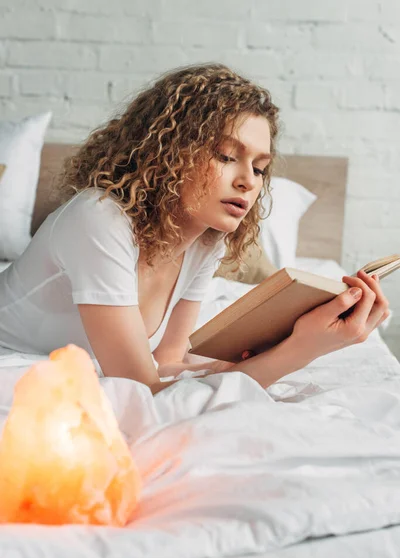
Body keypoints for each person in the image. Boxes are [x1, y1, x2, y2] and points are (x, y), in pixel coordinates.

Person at [0, 63, 390, 395]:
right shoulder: (97, 218)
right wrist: (303, 350)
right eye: (226, 156)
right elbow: (143, 394)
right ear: (167, 151)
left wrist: (282, 345)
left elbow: (167, 363)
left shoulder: (205, 241)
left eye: (259, 168)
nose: (249, 182)